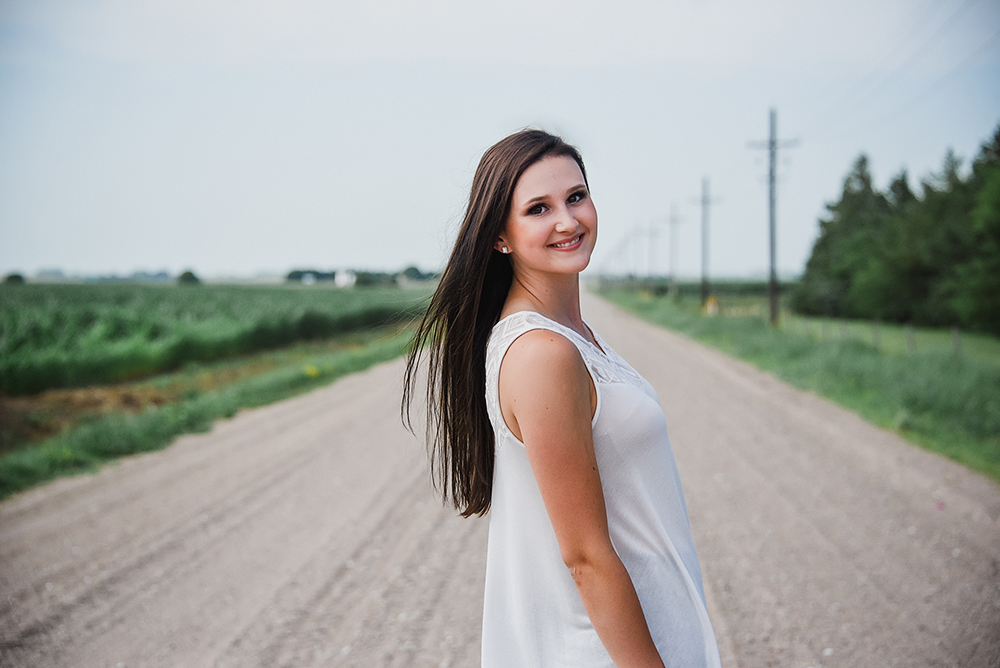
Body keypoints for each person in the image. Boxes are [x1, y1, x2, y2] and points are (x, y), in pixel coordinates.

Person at [403, 129, 721, 668]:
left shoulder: (571, 335)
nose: (568, 221)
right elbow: (585, 558)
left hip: (655, 627)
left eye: (576, 197)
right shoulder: (541, 354)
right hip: (607, 651)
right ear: (499, 237)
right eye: (538, 209)